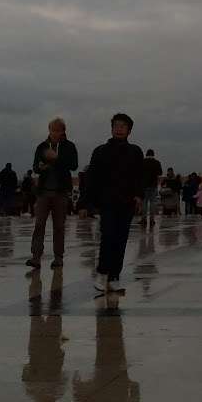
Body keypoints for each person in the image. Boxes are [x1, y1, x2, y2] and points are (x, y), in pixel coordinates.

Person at [80, 112, 145, 296]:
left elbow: (139, 177)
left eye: (123, 126)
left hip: (127, 203)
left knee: (121, 240)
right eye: (116, 125)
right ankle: (102, 273)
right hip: (107, 202)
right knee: (107, 237)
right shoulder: (100, 151)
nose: (119, 129)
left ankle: (114, 276)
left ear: (129, 130)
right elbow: (91, 179)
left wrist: (139, 196)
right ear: (111, 128)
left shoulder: (135, 151)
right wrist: (84, 203)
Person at [26, 117, 78, 272]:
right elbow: (35, 167)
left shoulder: (69, 147)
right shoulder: (42, 146)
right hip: (43, 192)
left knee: (59, 226)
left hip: (60, 192)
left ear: (63, 131)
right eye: (52, 130)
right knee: (39, 224)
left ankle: (58, 257)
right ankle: (36, 257)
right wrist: (41, 167)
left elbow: (74, 165)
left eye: (57, 130)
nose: (54, 133)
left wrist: (57, 158)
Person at [141, 149, 162, 222]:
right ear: (153, 154)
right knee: (153, 202)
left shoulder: (142, 162)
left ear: (146, 154)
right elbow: (160, 173)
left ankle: (143, 219)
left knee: (144, 202)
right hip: (153, 185)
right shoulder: (157, 162)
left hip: (144, 185)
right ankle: (152, 219)